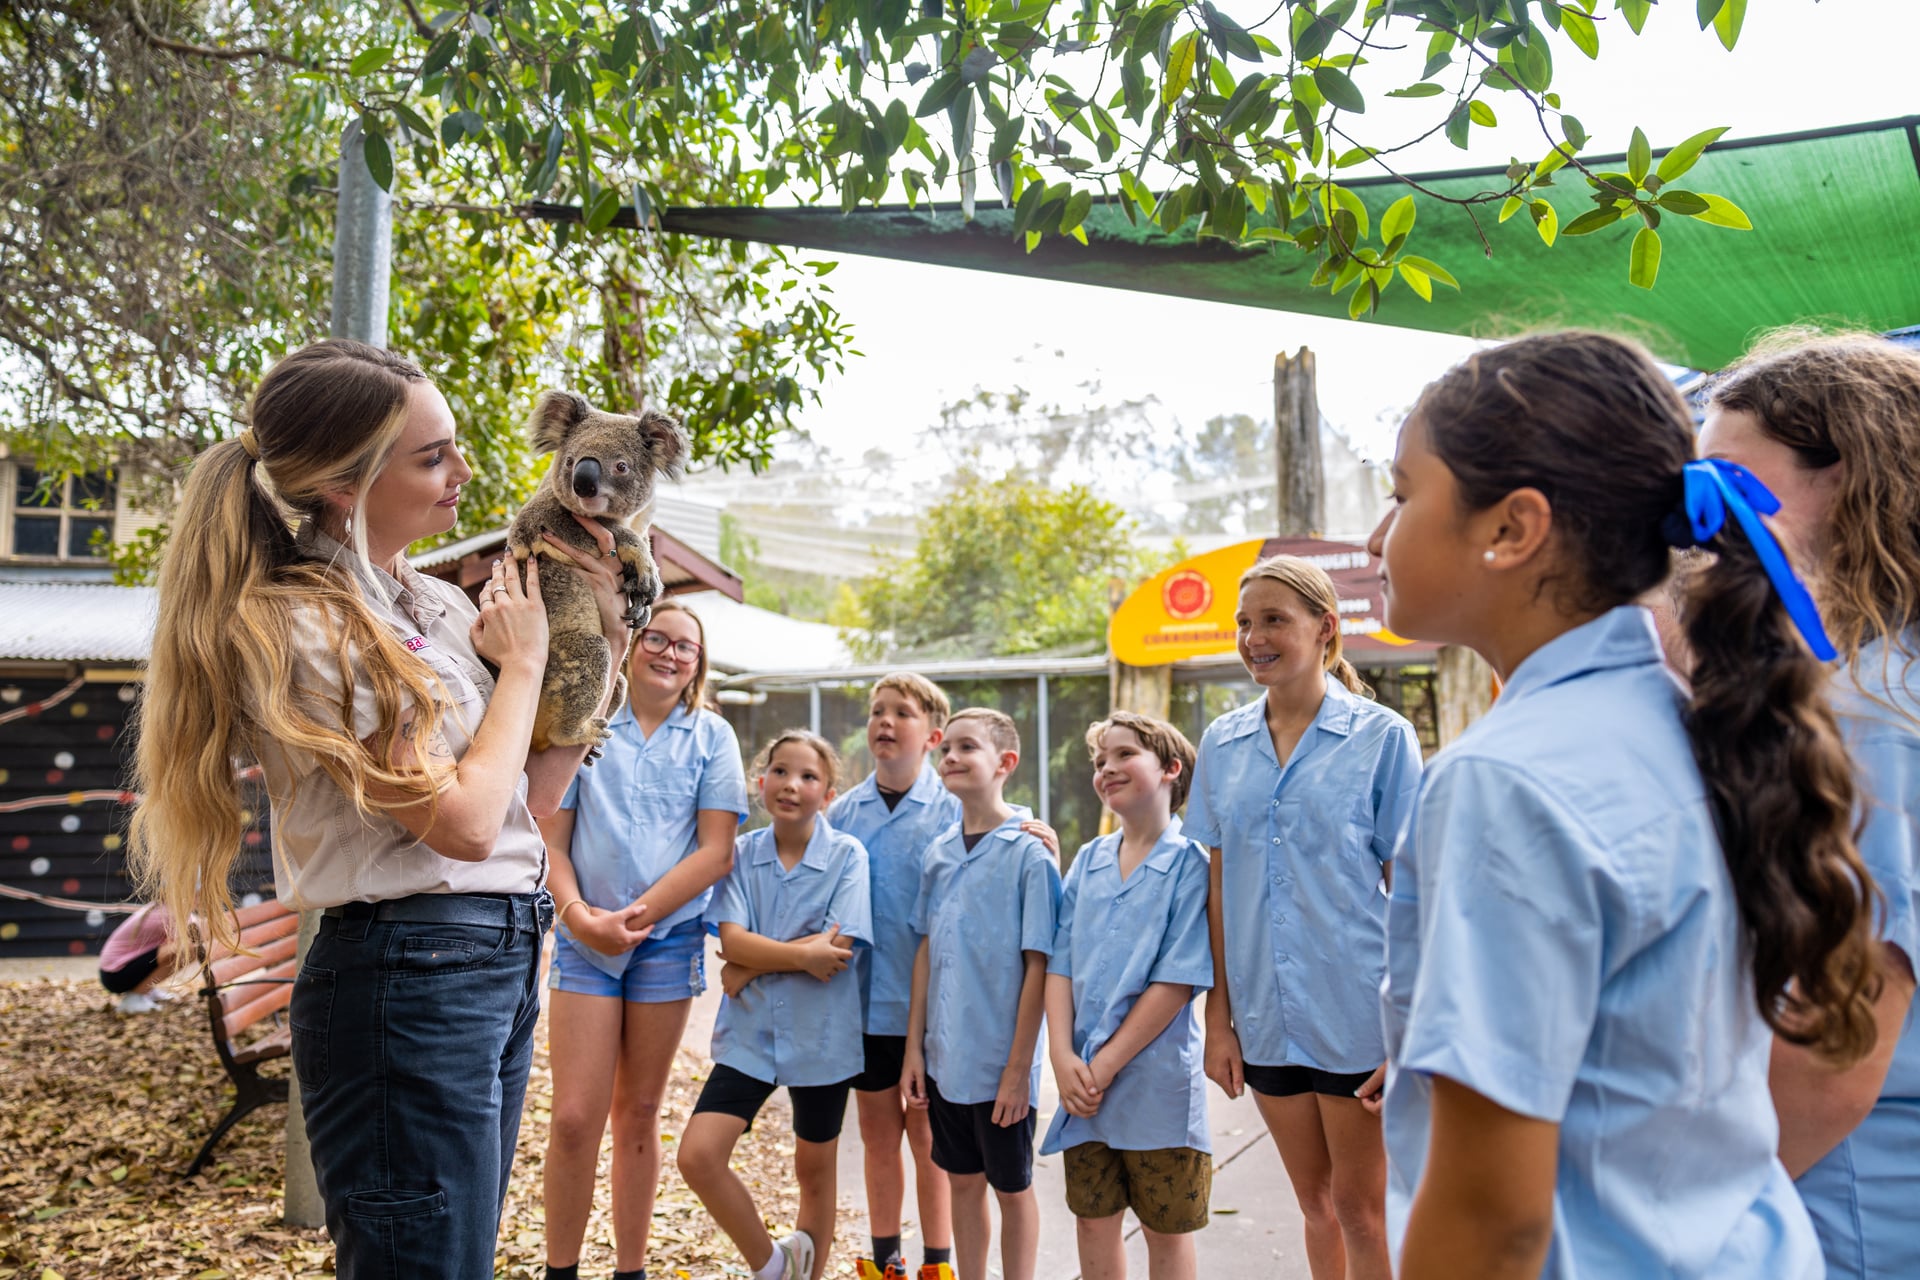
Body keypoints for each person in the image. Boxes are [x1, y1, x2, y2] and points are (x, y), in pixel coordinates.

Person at [1366, 330, 1883, 1280]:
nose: (1376, 536)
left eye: (1402, 495)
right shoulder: (1690, 725)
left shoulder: (1508, 781)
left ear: (1511, 529)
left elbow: (1491, 1219)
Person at [128, 339, 631, 1278]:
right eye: (432, 455)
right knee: (422, 1263)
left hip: (497, 949)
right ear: (346, 486)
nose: (463, 471)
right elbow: (464, 823)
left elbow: (528, 799)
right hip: (410, 971)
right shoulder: (307, 626)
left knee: (458, 1258)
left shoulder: (434, 603)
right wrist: (521, 667)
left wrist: (600, 640)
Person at [1696, 333, 1920, 1280]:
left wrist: (1695, 1212)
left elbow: (1847, 1026)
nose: (1699, 521)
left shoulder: (1864, 714)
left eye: (1729, 486)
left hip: (1847, 1202)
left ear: (1847, 477)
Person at [1182, 555, 1421, 1280]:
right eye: (1245, 623)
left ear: (1326, 628)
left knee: (1362, 1211)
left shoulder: (1382, 739)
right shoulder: (1222, 744)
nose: (1254, 637)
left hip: (1358, 1013)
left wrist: (1406, 1024)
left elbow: (1412, 889)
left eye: (1274, 620)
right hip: (1264, 1018)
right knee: (1314, 1206)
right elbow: (1220, 885)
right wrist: (1218, 1019)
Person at [540, 598, 749, 1280]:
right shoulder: (586, 723)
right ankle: (561, 1269)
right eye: (657, 638)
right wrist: (582, 921)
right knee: (574, 1118)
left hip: (665, 944)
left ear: (698, 665)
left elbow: (717, 852)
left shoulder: (712, 737)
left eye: (685, 647)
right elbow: (552, 844)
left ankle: (631, 1270)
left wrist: (637, 919)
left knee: (639, 1112)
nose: (669, 652)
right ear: (631, 645)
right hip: (584, 940)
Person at [677, 730, 869, 1280]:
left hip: (822, 1037)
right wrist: (788, 954)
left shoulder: (847, 856)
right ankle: (773, 1267)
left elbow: (836, 951)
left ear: (828, 794)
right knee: (698, 1155)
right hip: (750, 1036)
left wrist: (751, 965)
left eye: (809, 776)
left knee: (815, 1171)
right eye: (781, 771)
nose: (792, 785)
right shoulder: (739, 854)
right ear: (760, 782)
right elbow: (732, 942)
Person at [1042, 712, 1213, 1280]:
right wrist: (1063, 1059)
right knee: (1092, 1221)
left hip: (1155, 1090)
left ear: (1170, 769)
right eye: (1099, 761)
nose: (1107, 768)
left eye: (1123, 755)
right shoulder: (1087, 862)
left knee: (1166, 1229)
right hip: (1081, 1086)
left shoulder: (1192, 865)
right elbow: (1059, 965)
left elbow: (1178, 980)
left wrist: (1105, 1064)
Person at [902, 707, 1060, 1280]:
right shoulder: (939, 852)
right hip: (946, 1062)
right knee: (961, 1184)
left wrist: (1019, 1070)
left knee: (1012, 1189)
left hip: (1002, 1067)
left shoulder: (1029, 852)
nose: (951, 758)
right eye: (946, 748)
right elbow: (925, 951)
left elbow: (1039, 963)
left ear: (1005, 763)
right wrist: (915, 1050)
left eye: (968, 748)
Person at [827, 673, 960, 1280]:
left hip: (930, 1011)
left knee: (928, 1138)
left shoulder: (958, 811)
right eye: (877, 711)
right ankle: (886, 1263)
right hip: (861, 1006)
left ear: (932, 734)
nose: (884, 721)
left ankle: (939, 1262)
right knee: (878, 1135)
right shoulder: (842, 813)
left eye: (900, 712)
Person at [98, 902, 177, 1015]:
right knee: (187, 948)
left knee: (184, 946)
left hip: (114, 972)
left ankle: (145, 990)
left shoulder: (162, 907)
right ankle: (136, 997)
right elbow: (197, 933)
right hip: (115, 976)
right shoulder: (167, 912)